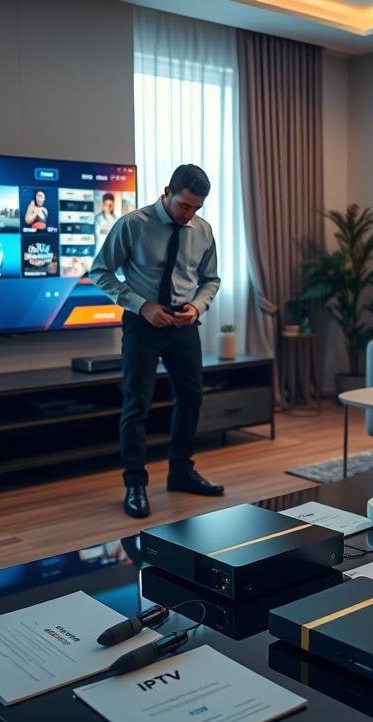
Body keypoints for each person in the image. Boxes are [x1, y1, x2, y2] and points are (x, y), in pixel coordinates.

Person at [90, 164, 222, 518]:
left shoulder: (202, 231)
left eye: (196, 208)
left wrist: (197, 306)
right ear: (167, 192)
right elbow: (99, 271)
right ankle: (135, 484)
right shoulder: (133, 224)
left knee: (191, 397)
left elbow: (211, 279)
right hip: (143, 322)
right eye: (184, 205)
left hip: (184, 323)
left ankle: (181, 472)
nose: (188, 214)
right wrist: (142, 305)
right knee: (137, 404)